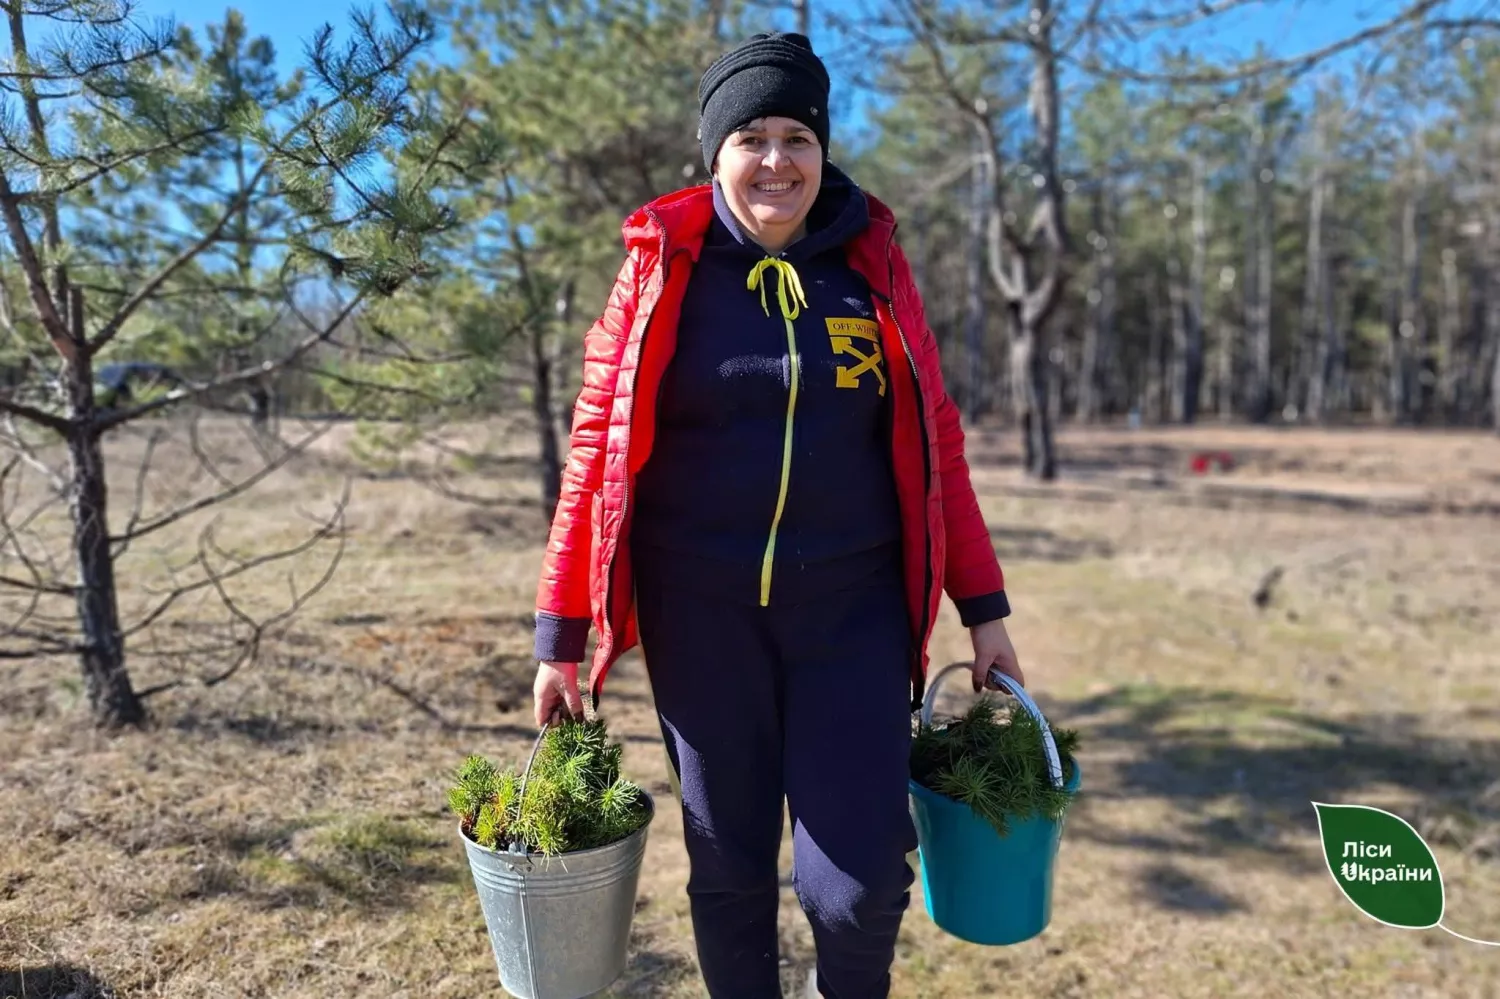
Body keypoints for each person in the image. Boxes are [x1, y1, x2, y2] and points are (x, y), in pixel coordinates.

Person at [529, 30, 1024, 999]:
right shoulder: (661, 268)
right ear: (714, 152)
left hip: (852, 616)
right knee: (730, 869)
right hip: (700, 619)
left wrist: (985, 609)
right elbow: (596, 453)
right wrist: (560, 636)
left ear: (823, 150)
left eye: (798, 137)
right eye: (750, 137)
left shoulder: (873, 265)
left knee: (860, 888)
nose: (776, 161)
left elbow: (938, 444)